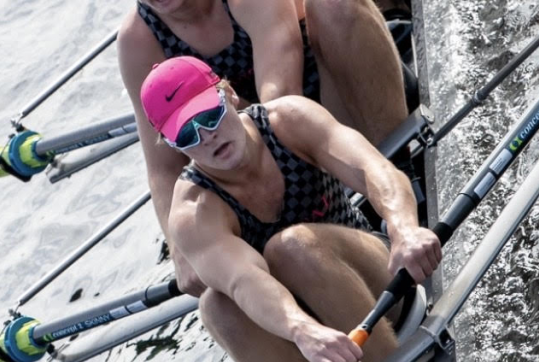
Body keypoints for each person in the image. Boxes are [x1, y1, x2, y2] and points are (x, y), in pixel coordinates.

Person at [139, 56, 441, 362]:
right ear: (169, 143)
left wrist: (405, 229)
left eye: (208, 115)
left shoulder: (288, 121)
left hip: (378, 287)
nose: (207, 137)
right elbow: (245, 281)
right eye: (187, 133)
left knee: (290, 248)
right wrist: (302, 330)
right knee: (216, 307)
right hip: (309, 343)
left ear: (227, 94)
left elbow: (374, 170)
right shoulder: (192, 212)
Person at [118, 0, 411, 296]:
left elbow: (280, 101)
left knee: (333, 4)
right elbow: (163, 166)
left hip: (335, 108)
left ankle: (403, 171)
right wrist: (182, 248)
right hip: (260, 154)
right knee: (215, 307)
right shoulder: (137, 40)